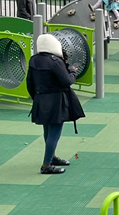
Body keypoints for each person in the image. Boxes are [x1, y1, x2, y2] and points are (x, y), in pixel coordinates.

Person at [26, 33, 86, 175]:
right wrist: (72, 72)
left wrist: (36, 98)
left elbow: (29, 83)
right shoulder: (55, 61)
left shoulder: (34, 60)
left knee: (47, 130)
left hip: (41, 99)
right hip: (56, 101)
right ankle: (46, 164)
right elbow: (66, 81)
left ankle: (51, 157)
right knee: (55, 132)